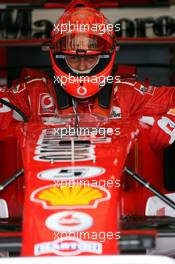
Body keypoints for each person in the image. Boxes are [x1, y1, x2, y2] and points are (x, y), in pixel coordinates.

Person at [0, 0, 175, 149]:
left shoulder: (127, 93)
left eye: (91, 59)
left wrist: (173, 119)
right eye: (73, 58)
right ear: (57, 55)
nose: (82, 65)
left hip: (112, 186)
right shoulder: (34, 91)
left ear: (106, 56)